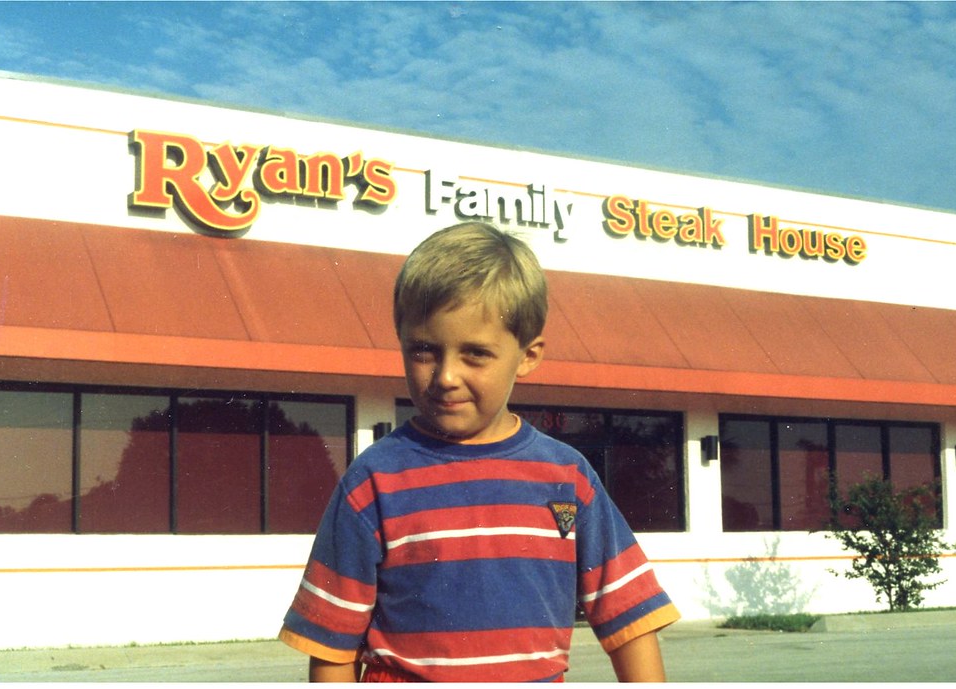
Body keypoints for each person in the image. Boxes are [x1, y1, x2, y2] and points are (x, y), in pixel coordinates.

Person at [279, 221, 680, 682]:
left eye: (475, 354)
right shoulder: (373, 482)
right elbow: (332, 645)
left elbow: (629, 620)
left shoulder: (567, 478)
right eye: (425, 350)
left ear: (528, 355)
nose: (446, 375)